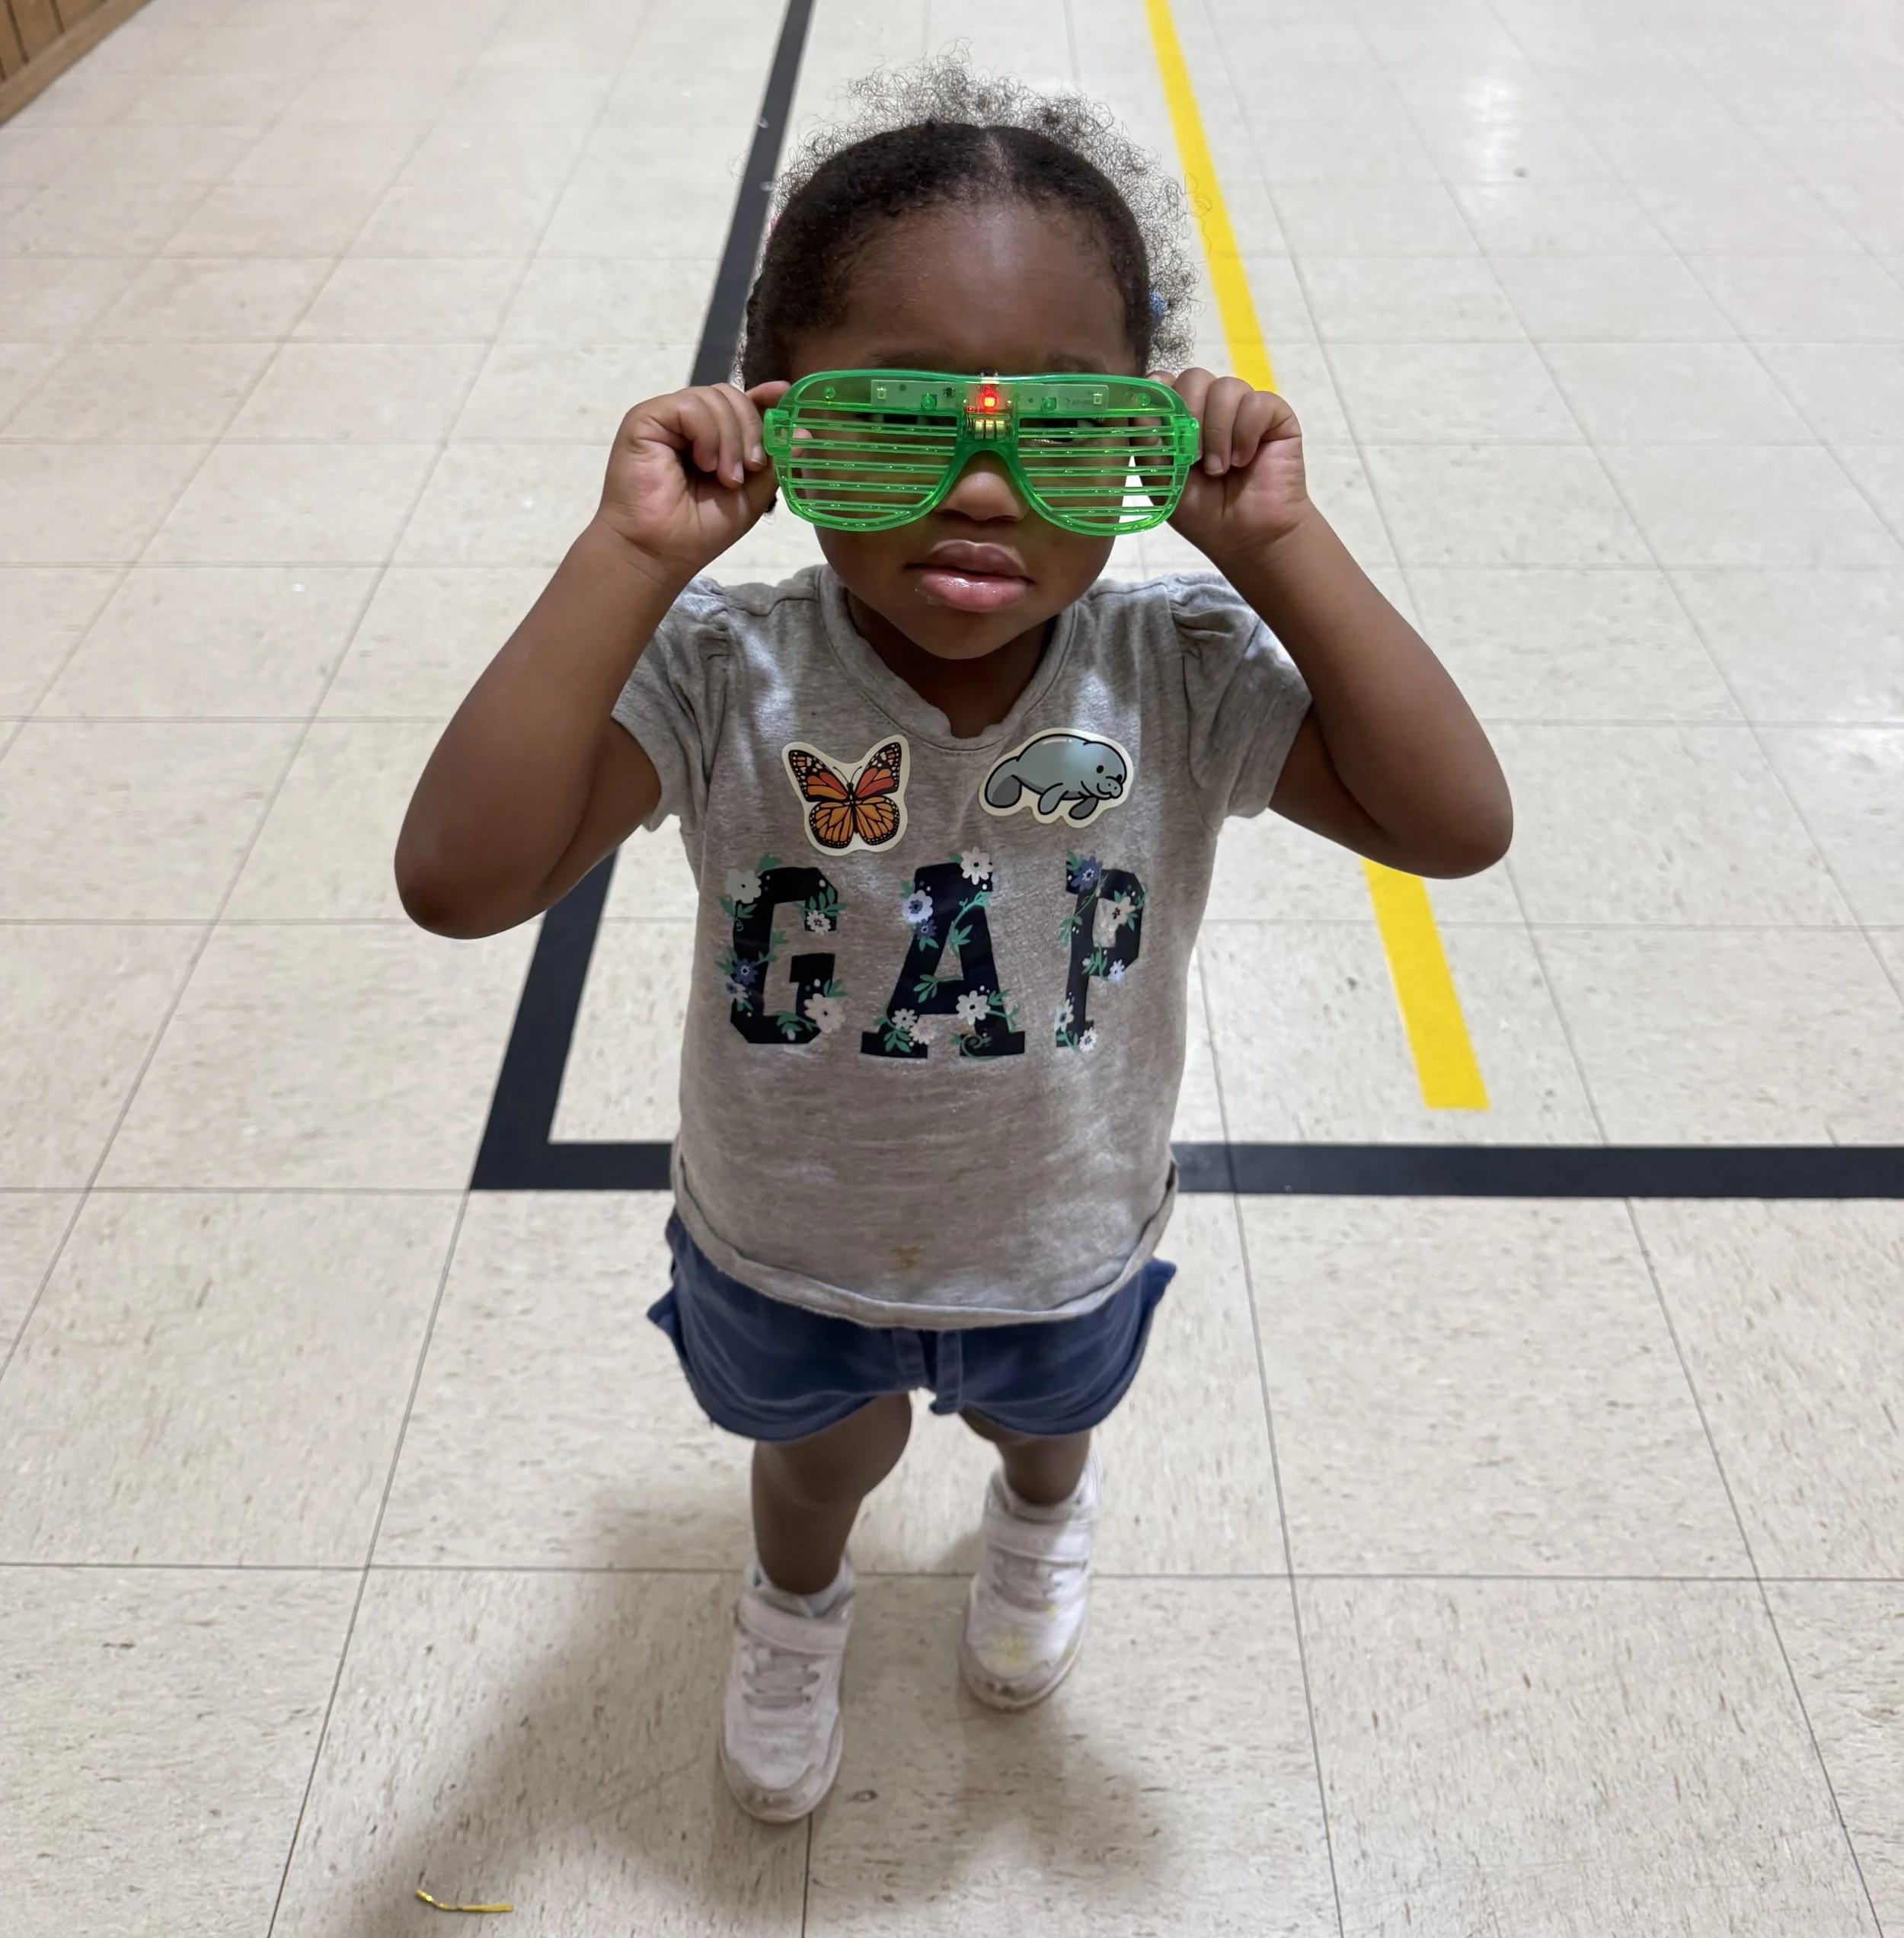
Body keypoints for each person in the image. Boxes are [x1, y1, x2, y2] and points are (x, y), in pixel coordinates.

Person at [395, 60, 1511, 1824]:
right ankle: (793, 1610)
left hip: (1060, 1233)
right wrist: (627, 554)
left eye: (1064, 433)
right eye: (895, 425)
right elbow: (461, 879)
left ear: (1148, 441)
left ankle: (1037, 1526)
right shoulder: (724, 673)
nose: (984, 490)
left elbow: (1451, 822)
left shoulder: (1176, 671)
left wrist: (1275, 548)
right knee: (811, 1457)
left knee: (1044, 1423)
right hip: (785, 1239)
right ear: (774, 426)